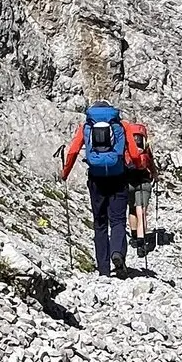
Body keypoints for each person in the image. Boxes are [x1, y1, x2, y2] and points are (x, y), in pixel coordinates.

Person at [60, 100, 143, 277]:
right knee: (118, 220)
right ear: (112, 111)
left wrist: (65, 173)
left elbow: (73, 151)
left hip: (96, 180)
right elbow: (135, 153)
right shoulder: (122, 125)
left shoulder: (86, 127)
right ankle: (117, 253)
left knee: (100, 223)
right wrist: (138, 166)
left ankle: (103, 269)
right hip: (119, 177)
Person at [124, 122, 157, 258]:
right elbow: (151, 164)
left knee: (132, 208)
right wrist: (155, 175)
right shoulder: (146, 148)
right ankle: (141, 241)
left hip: (128, 181)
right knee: (141, 210)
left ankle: (133, 236)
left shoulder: (126, 147)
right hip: (144, 182)